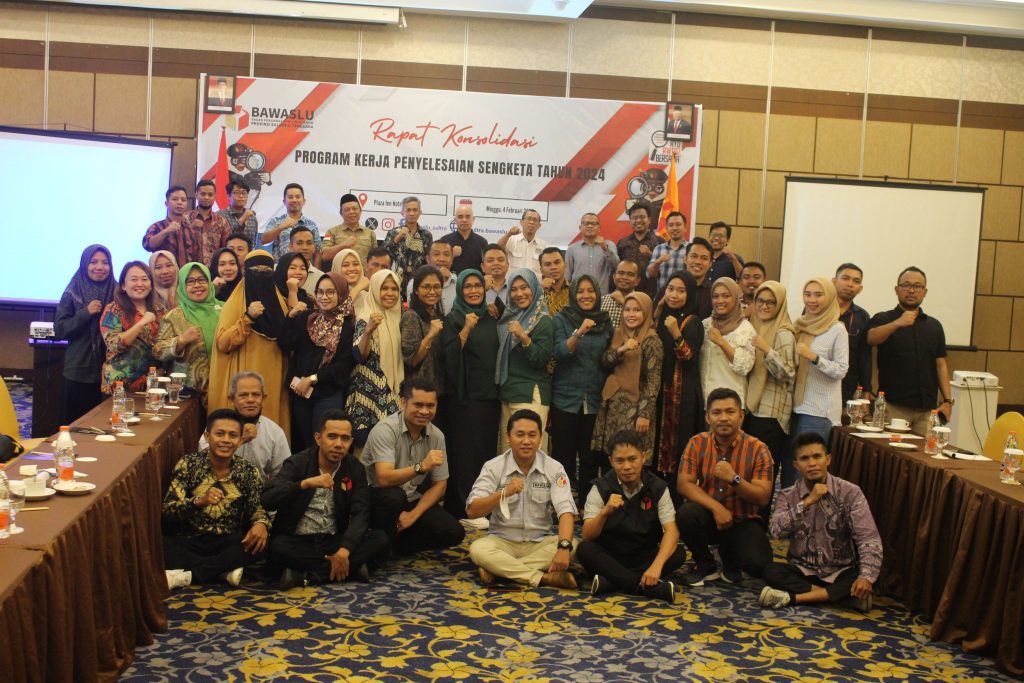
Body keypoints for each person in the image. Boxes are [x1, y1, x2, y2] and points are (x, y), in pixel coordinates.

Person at [262, 410, 389, 590]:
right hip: (298, 541)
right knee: (277, 546)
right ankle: (351, 570)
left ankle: (305, 575)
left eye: (345, 438)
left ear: (351, 442)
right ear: (318, 438)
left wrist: (344, 551)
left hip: (334, 540)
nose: (338, 444)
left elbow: (361, 512)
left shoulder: (354, 467)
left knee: (379, 538)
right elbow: (268, 499)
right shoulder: (297, 463)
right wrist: (304, 484)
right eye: (332, 437)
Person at [759, 432, 882, 611]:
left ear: (828, 459)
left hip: (841, 570)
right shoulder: (788, 495)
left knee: (868, 575)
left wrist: (866, 578)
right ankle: (840, 598)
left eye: (817, 456)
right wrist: (806, 503)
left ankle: (793, 598)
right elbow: (776, 532)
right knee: (771, 571)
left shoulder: (850, 492)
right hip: (803, 570)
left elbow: (868, 538)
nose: (812, 463)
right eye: (805, 458)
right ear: (796, 465)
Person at [466, 409, 578, 589]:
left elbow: (566, 511)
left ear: (540, 438)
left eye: (532, 435)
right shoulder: (493, 467)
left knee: (573, 545)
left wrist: (564, 547)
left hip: (539, 542)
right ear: (508, 437)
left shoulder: (554, 468)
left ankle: (498, 570)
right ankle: (544, 578)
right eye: (520, 435)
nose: (526, 441)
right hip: (502, 541)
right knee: (478, 549)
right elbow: (472, 510)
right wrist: (504, 493)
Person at [163, 409, 271, 589]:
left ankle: (189, 576)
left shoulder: (248, 471)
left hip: (228, 541)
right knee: (159, 546)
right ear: (207, 436)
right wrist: (199, 502)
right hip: (190, 539)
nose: (226, 440)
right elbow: (168, 510)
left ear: (240, 439)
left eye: (232, 435)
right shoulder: (188, 464)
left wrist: (261, 524)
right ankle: (222, 571)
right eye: (220, 434)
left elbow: (257, 509)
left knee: (263, 543)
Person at [676, 387, 773, 586]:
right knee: (686, 514)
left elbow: (762, 497)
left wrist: (734, 479)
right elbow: (683, 484)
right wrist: (716, 508)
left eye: (730, 412)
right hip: (709, 516)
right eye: (717, 412)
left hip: (743, 520)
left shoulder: (759, 449)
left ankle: (729, 556)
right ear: (707, 417)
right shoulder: (696, 443)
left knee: (758, 566)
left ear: (741, 415)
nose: (723, 418)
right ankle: (706, 564)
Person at [361, 378, 465, 555]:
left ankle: (391, 547)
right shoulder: (385, 429)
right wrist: (421, 467)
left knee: (454, 532)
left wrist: (413, 515)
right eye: (418, 405)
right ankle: (379, 543)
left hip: (409, 499)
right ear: (403, 402)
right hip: (377, 499)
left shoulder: (437, 436)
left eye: (430, 406)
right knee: (395, 496)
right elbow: (384, 478)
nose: (424, 411)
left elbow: (440, 485)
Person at [579, 429, 685, 602]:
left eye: (632, 459)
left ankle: (612, 582)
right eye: (620, 461)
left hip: (643, 554)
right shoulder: (600, 487)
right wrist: (605, 512)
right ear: (611, 461)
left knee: (678, 553)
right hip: (610, 554)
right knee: (584, 550)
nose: (627, 467)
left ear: (643, 457)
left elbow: (672, 531)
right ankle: (645, 587)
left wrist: (656, 567)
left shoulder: (658, 487)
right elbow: (587, 535)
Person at [208, 252, 291, 438]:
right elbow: (223, 343)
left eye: (267, 271)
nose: (261, 275)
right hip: (243, 376)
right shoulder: (235, 304)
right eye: (255, 271)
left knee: (269, 430)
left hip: (273, 377)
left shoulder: (280, 303)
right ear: (246, 272)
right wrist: (247, 318)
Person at [441, 270, 501, 520]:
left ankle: (483, 505)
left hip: (491, 397)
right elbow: (449, 358)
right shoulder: (454, 318)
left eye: (478, 285)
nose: (474, 290)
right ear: (460, 290)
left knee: (486, 453)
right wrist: (466, 328)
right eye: (468, 286)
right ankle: (465, 507)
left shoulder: (491, 316)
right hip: (465, 399)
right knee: (466, 455)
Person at [550, 274, 612, 505]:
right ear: (573, 294)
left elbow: (608, 359)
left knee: (590, 457)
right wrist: (579, 333)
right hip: (565, 399)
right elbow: (559, 352)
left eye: (590, 291)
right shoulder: (562, 318)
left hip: (595, 399)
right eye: (580, 291)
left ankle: (588, 505)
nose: (586, 295)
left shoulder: (605, 322)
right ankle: (562, 504)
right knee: (562, 456)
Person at [867, 266, 951, 434]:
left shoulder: (934, 326)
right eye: (906, 285)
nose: (911, 290)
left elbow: (940, 365)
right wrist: (897, 323)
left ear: (925, 292)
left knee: (925, 450)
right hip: (893, 407)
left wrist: (948, 401)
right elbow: (870, 338)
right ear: (896, 289)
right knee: (890, 450)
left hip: (927, 409)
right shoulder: (884, 318)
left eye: (917, 286)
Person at [278, 272, 355, 452]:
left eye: (330, 292)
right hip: (301, 393)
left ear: (341, 294)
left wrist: (312, 379)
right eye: (320, 292)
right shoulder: (307, 318)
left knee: (326, 445)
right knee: (305, 445)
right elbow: (286, 343)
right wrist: (290, 317)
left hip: (328, 393)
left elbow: (343, 367)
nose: (324, 297)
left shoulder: (348, 328)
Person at [591, 292, 664, 465]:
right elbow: (605, 361)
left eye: (637, 310)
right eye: (627, 310)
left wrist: (644, 415)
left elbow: (653, 382)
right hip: (612, 406)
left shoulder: (652, 341)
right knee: (610, 458)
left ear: (646, 312)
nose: (631, 314)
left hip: (635, 408)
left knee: (630, 458)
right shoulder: (618, 333)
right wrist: (622, 349)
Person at [789, 277, 849, 486]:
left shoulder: (837, 329)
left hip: (818, 412)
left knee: (807, 473)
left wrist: (814, 357)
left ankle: (808, 507)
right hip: (795, 407)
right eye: (808, 294)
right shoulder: (800, 325)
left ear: (829, 297)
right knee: (791, 467)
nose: (812, 300)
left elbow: (841, 369)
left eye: (818, 295)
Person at [743, 281, 797, 490]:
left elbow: (788, 373)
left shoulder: (783, 333)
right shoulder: (754, 327)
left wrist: (767, 349)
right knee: (748, 472)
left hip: (771, 414)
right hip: (752, 409)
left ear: (780, 305)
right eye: (760, 300)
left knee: (763, 475)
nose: (764, 306)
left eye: (771, 302)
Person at [55, 244, 115, 422]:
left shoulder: (118, 291)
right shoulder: (73, 292)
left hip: (110, 372)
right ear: (84, 264)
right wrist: (85, 313)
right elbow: (60, 330)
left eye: (105, 262)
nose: (100, 267)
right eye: (93, 262)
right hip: (78, 372)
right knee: (75, 426)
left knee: (104, 426)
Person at [496, 268, 554, 453]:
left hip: (530, 393)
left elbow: (541, 359)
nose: (519, 293)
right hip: (508, 393)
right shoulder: (509, 316)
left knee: (529, 452)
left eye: (524, 287)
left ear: (535, 289)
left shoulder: (542, 320)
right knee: (507, 452)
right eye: (514, 289)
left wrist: (523, 336)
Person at [654, 271, 704, 481]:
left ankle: (676, 493)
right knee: (656, 447)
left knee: (678, 450)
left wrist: (676, 332)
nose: (674, 295)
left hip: (681, 396)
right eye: (670, 289)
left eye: (681, 291)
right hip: (659, 393)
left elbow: (689, 357)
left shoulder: (693, 322)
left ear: (690, 293)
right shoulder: (660, 317)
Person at [199, 371, 290, 483]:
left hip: (259, 492)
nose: (250, 400)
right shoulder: (216, 426)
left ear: (263, 399)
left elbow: (284, 474)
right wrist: (240, 440)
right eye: (243, 395)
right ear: (231, 399)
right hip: (217, 490)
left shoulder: (275, 432)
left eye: (256, 395)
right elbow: (201, 463)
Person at [345, 269, 404, 444]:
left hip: (391, 394)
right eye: (384, 288)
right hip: (366, 396)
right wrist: (368, 332)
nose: (390, 293)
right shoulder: (365, 316)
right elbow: (359, 355)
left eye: (394, 289)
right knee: (364, 452)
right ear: (375, 289)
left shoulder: (400, 318)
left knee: (391, 448)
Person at [153, 263, 221, 401]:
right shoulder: (173, 316)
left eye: (202, 280)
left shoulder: (224, 310)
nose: (197, 285)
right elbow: (157, 351)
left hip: (223, 388)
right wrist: (181, 340)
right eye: (190, 281)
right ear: (182, 286)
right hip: (188, 395)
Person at [100, 261, 164, 393]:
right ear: (123, 285)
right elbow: (114, 344)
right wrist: (141, 323)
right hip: (119, 387)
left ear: (151, 285)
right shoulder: (113, 310)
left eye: (144, 279)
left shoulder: (160, 310)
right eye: (134, 279)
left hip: (152, 385)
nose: (140, 284)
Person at [700, 277, 755, 406]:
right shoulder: (705, 324)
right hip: (705, 400)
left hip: (731, 403)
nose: (720, 301)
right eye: (715, 296)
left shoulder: (745, 328)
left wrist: (721, 342)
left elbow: (745, 367)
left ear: (735, 298)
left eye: (726, 296)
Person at [401, 266, 446, 398]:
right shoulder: (411, 316)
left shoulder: (438, 315)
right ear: (416, 290)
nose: (432, 291)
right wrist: (430, 336)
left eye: (437, 287)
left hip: (440, 389)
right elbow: (412, 361)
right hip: (419, 391)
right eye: (426, 287)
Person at [833, 263, 873, 404]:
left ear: (860, 288)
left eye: (856, 281)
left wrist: (866, 390)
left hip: (847, 387)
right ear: (834, 281)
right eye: (845, 278)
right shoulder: (817, 308)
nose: (850, 284)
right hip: (817, 381)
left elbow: (864, 355)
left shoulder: (862, 316)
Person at [261, 183, 321, 262]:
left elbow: (317, 253)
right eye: (290, 197)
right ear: (284, 201)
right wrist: (281, 227)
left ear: (304, 201)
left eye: (298, 197)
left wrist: (316, 270)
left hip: (305, 268)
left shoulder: (312, 224)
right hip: (280, 267)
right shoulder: (276, 221)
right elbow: (264, 241)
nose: (294, 200)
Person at [385, 196, 433, 293]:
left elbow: (429, 260)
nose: (412, 213)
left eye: (415, 210)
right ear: (402, 213)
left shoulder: (426, 235)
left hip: (418, 282)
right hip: (396, 282)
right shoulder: (393, 232)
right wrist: (398, 237)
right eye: (408, 210)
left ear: (420, 212)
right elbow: (384, 255)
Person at [616, 202, 663, 298]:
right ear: (630, 220)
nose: (638, 220)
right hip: (626, 295)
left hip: (652, 295)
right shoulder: (622, 243)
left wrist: (650, 255)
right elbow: (617, 270)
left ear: (649, 220)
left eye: (642, 217)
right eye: (634, 218)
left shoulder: (659, 242)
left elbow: (664, 269)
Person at [321, 193, 376, 269]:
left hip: (363, 275)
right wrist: (343, 245)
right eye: (347, 210)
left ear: (360, 211)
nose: (351, 212)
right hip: (339, 275)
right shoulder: (331, 232)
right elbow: (324, 256)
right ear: (341, 213)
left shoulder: (370, 233)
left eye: (354, 208)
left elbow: (376, 258)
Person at [566, 213, 619, 288]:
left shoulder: (609, 245)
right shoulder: (572, 248)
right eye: (586, 223)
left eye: (594, 224)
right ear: (580, 227)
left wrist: (605, 248)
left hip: (602, 293)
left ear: (599, 228)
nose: (590, 226)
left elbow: (616, 266)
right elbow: (567, 275)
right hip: (578, 293)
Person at [186, 179, 231, 266]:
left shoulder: (221, 221)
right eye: (203, 194)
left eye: (210, 195)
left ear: (215, 197)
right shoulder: (186, 218)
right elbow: (180, 244)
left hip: (214, 269)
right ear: (196, 195)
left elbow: (226, 248)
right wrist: (191, 228)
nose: (206, 197)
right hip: (190, 268)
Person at [143, 185, 191, 265]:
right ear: (166, 203)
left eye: (183, 200)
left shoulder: (190, 229)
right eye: (175, 199)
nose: (180, 202)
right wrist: (166, 231)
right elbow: (147, 245)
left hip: (187, 272)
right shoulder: (157, 226)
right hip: (164, 271)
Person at [405, 241, 457, 314]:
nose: (442, 259)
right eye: (436, 254)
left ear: (452, 259)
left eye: (446, 254)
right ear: (428, 259)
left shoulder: (459, 283)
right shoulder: (415, 283)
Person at [439, 202, 488, 274]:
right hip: (451, 280)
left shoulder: (482, 242)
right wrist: (451, 255)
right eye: (460, 217)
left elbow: (486, 267)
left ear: (473, 219)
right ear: (455, 220)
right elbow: (439, 267)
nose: (464, 220)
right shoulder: (445, 241)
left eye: (467, 216)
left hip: (475, 280)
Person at [498, 208, 547, 277]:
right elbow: (497, 250)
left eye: (535, 220)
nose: (531, 222)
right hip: (512, 282)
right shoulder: (511, 240)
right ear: (521, 222)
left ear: (539, 225)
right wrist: (508, 234)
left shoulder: (544, 246)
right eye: (529, 219)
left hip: (535, 283)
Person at [647, 212, 688, 293]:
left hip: (684, 297)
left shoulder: (691, 249)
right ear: (666, 228)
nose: (674, 228)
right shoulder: (658, 249)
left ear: (685, 228)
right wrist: (657, 262)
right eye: (671, 225)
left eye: (678, 224)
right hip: (662, 296)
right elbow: (650, 275)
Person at [331, 248, 372, 320]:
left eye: (356, 264)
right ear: (337, 268)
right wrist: (358, 287)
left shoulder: (368, 296)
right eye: (345, 265)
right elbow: (338, 314)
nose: (352, 269)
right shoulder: (329, 293)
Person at [600, 259, 640, 329]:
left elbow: (643, 327)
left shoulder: (642, 303)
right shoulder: (602, 301)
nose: (624, 277)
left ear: (637, 280)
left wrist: (623, 301)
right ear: (614, 276)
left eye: (630, 274)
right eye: (621, 273)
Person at [287, 226, 325, 300]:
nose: (305, 247)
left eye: (309, 243)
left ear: (314, 247)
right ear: (290, 247)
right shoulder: (275, 271)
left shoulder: (321, 277)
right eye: (299, 243)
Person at [218, 181, 259, 246]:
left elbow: (253, 243)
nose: (241, 196)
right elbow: (225, 241)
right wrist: (243, 219)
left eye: (244, 193)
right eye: (237, 193)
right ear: (228, 196)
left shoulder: (252, 218)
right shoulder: (220, 216)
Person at [684, 237, 714, 319]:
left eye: (704, 258)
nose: (698, 262)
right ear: (685, 259)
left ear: (710, 264)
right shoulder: (671, 287)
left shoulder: (713, 293)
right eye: (694, 256)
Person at [539, 247, 570, 315]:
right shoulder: (535, 293)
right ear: (541, 270)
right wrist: (540, 290)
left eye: (557, 262)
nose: (553, 267)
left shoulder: (576, 290)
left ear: (565, 266)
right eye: (548, 264)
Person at [482, 243, 510, 310]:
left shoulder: (515, 288)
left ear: (507, 265)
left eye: (500, 260)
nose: (496, 263)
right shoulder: (474, 290)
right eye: (490, 260)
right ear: (482, 267)